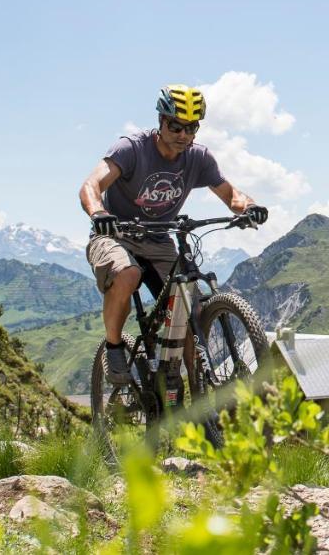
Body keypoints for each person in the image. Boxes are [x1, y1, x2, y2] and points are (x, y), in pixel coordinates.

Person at [79, 84, 268, 383]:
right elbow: (91, 186)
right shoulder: (131, 149)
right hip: (114, 234)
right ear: (161, 120)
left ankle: (198, 389)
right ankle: (114, 346)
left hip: (158, 238)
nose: (183, 135)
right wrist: (99, 213)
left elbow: (231, 195)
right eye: (176, 126)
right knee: (128, 275)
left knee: (190, 305)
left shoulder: (198, 158)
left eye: (191, 128)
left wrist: (249, 207)